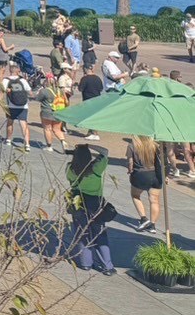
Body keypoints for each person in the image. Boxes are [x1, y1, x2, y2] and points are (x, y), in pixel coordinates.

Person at [65, 144, 115, 275]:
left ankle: (85, 263)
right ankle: (107, 265)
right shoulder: (95, 169)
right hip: (95, 203)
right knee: (100, 234)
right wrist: (89, 146)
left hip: (78, 202)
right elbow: (105, 151)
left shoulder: (70, 169)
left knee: (82, 233)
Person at [127, 135, 163, 233]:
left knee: (135, 195)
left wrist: (130, 171)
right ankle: (152, 225)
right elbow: (161, 161)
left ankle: (143, 218)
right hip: (155, 175)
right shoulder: (155, 145)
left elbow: (130, 162)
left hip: (140, 175)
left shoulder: (132, 146)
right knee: (154, 200)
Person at [0, 60, 33, 151]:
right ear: (18, 71)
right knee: (24, 124)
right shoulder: (22, 80)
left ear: (10, 71)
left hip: (11, 105)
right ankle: (27, 144)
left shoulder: (6, 80)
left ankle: (9, 140)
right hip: (23, 105)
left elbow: (2, 91)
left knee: (10, 122)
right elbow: (30, 93)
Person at [32, 72, 68, 153]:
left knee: (47, 129)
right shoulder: (60, 91)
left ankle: (49, 146)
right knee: (57, 129)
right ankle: (63, 141)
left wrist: (38, 92)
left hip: (47, 111)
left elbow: (37, 99)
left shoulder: (44, 91)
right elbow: (66, 100)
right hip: (58, 112)